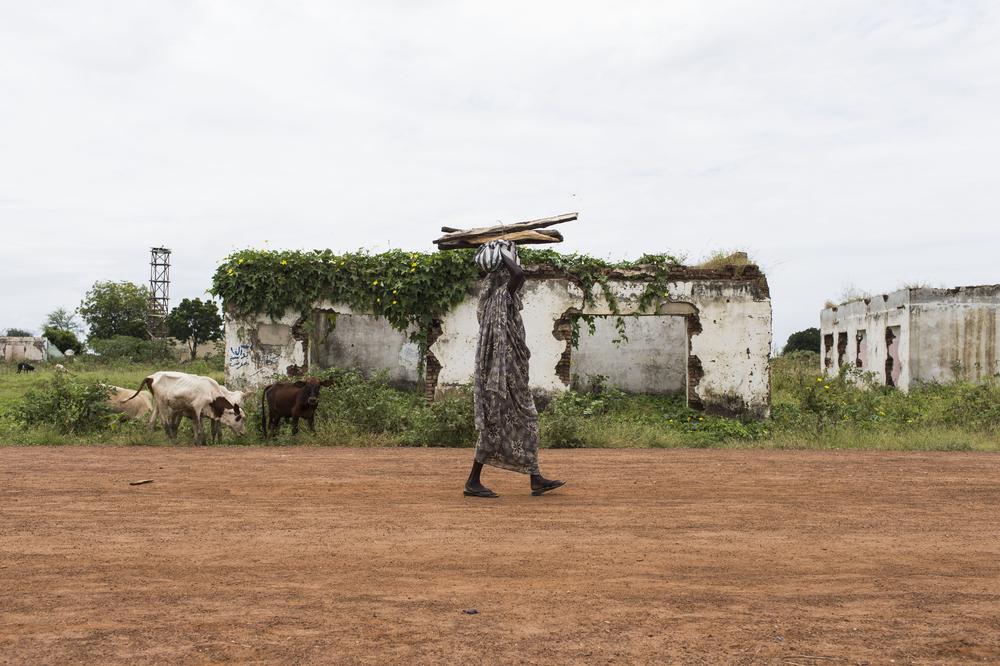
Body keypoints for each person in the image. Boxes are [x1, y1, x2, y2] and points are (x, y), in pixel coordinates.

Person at [464, 239, 566, 498]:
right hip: (501, 375)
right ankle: (473, 482)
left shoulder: (496, 302)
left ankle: (535, 478)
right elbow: (519, 274)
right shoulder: (500, 297)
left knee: (522, 421)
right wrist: (502, 251)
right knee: (499, 424)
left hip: (511, 372)